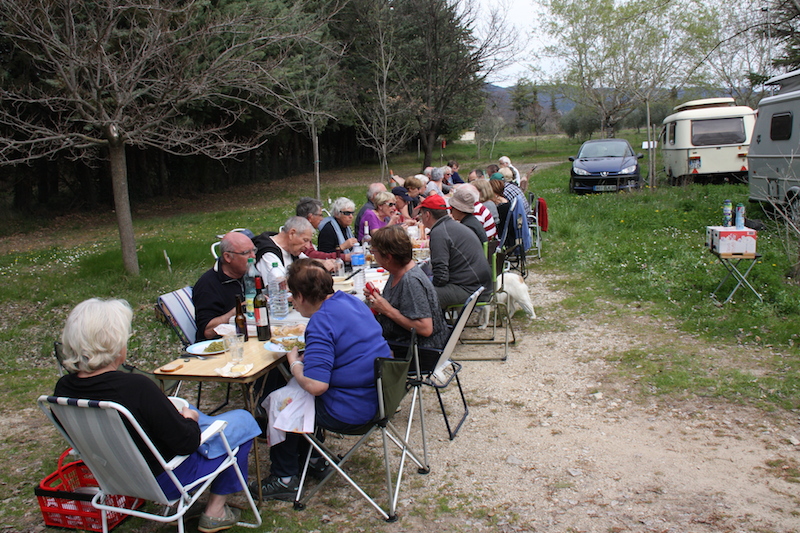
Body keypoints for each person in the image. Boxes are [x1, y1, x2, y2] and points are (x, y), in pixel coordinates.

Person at [54, 298, 255, 532]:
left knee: (191, 412)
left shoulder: (63, 390)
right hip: (167, 480)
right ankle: (215, 511)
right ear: (115, 344)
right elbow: (186, 443)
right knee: (243, 422)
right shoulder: (136, 388)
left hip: (114, 477)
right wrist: (189, 419)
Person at [252, 259, 392, 501]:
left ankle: (285, 478)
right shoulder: (351, 301)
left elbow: (317, 386)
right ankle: (314, 458)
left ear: (301, 297)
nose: (292, 301)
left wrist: (294, 364)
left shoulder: (321, 322)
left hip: (352, 410)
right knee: (295, 393)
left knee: (282, 400)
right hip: (382, 396)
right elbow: (348, 346)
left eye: (292, 296)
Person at [368, 225, 448, 351]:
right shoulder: (397, 270)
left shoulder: (411, 281)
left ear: (388, 257)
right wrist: (380, 300)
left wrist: (388, 310)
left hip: (418, 351)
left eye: (374, 251)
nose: (372, 254)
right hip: (403, 344)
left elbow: (426, 329)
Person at [417, 195, 492, 309]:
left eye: (421, 214)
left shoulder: (439, 232)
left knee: (417, 293)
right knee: (423, 285)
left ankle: (431, 321)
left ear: (427, 215)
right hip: (480, 285)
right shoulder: (452, 226)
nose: (420, 217)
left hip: (471, 289)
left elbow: (441, 277)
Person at [193, 231, 254, 342]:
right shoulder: (208, 285)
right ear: (227, 257)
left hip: (249, 335)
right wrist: (236, 312)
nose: (253, 256)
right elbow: (207, 331)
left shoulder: (249, 274)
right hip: (224, 345)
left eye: (254, 251)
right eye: (246, 253)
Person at [255, 216, 314, 281]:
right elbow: (279, 284)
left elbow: (311, 265)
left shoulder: (292, 249)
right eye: (305, 240)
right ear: (291, 233)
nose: (308, 246)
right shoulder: (268, 254)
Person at [296, 197, 348, 266]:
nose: (322, 219)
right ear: (310, 217)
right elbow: (311, 255)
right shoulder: (300, 233)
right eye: (320, 215)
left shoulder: (301, 229)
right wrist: (344, 257)